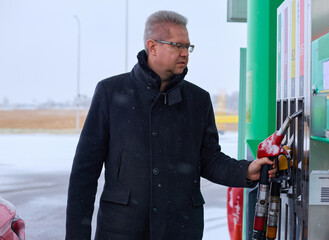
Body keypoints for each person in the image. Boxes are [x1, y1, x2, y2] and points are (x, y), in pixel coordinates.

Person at [66, 10, 275, 240]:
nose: (185, 53)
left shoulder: (198, 100)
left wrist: (245, 171)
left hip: (181, 230)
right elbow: (84, 172)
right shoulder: (111, 92)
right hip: (121, 230)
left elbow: (209, 160)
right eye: (177, 46)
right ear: (152, 46)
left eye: (188, 47)